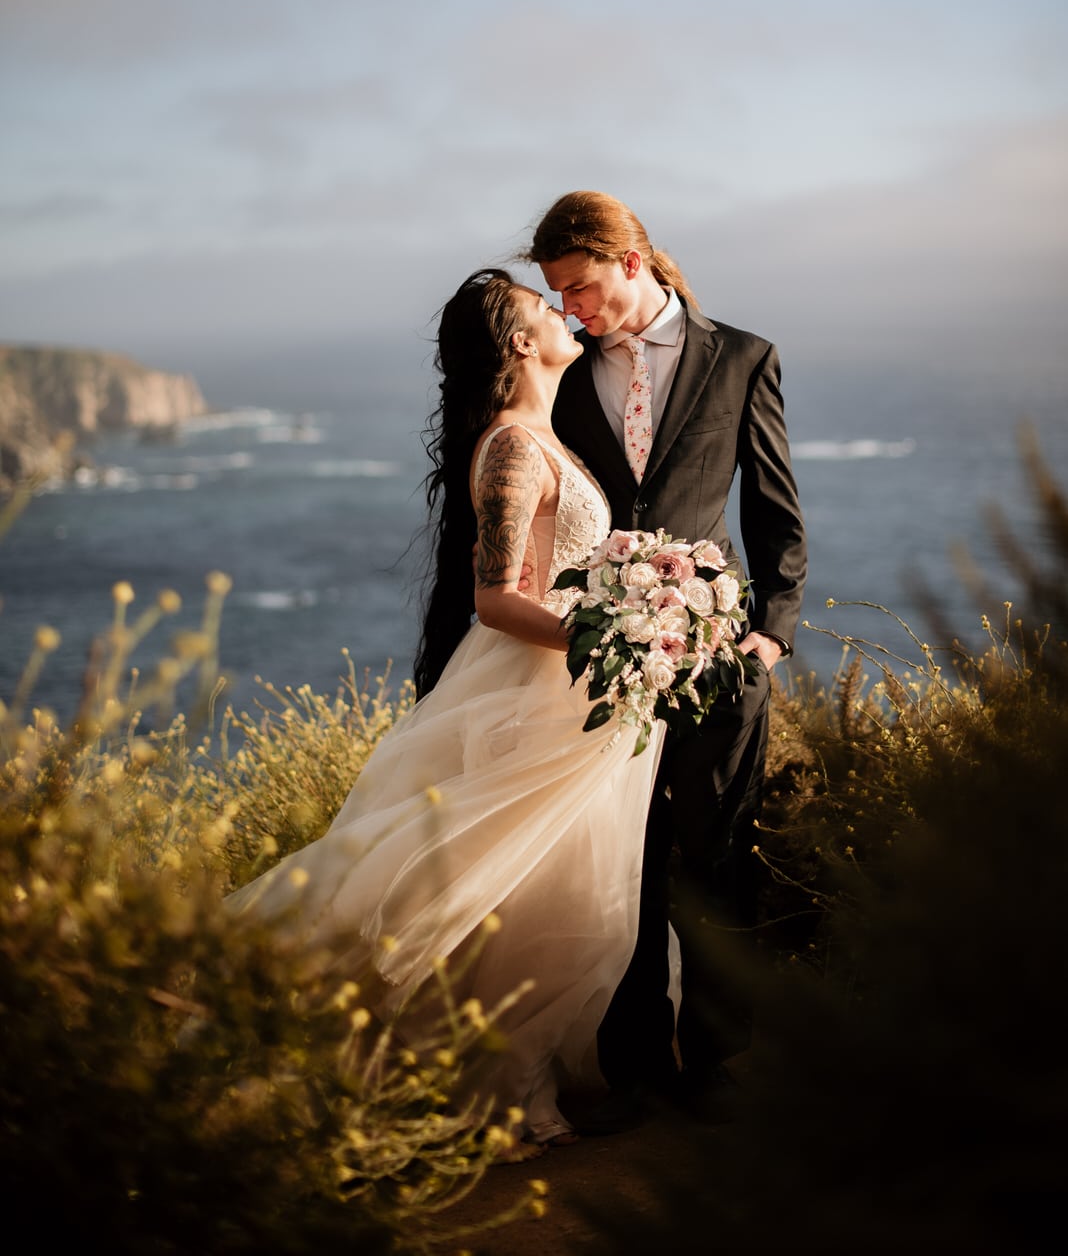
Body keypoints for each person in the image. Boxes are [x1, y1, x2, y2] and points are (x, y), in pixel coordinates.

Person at [225, 269, 667, 1155]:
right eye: (547, 308)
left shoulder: (543, 433)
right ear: (518, 342)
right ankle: (485, 1096)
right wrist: (613, 639)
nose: (564, 313)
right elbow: (497, 599)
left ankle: (517, 1088)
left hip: (577, 690)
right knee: (503, 889)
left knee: (554, 893)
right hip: (536, 690)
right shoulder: (511, 446)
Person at [526, 192, 807, 1126]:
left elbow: (774, 507)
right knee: (624, 867)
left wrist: (773, 631)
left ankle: (723, 1064)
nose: (571, 309)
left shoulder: (742, 358)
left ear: (632, 261)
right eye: (557, 294)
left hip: (719, 656)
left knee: (719, 857)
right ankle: (636, 1072)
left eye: (581, 287)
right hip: (605, 668)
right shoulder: (567, 372)